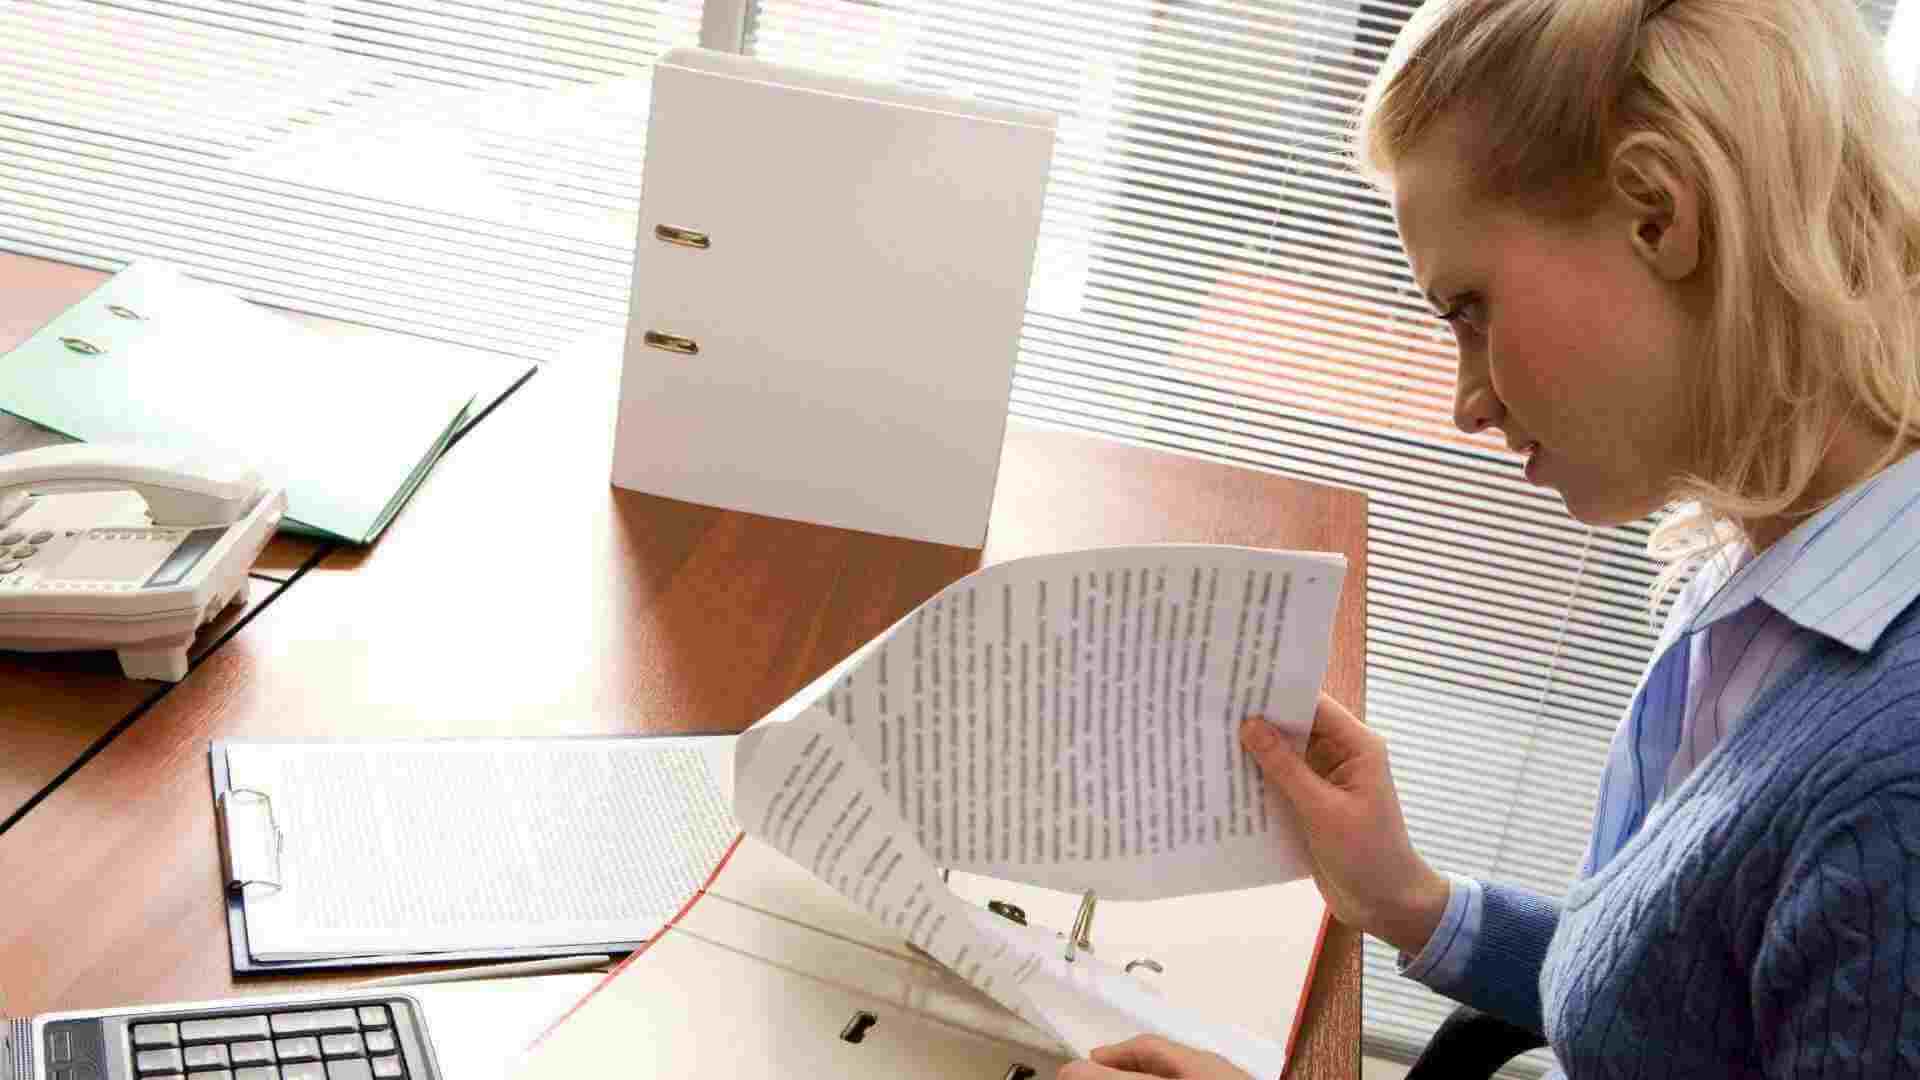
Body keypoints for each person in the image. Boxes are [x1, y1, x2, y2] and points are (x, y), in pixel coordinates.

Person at [1059, 0, 1920, 1076]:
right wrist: (1412, 901)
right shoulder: (1776, 566)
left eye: (1469, 308)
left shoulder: (1893, 798)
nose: (1466, 401)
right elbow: (1674, 1013)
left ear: (1662, 213)